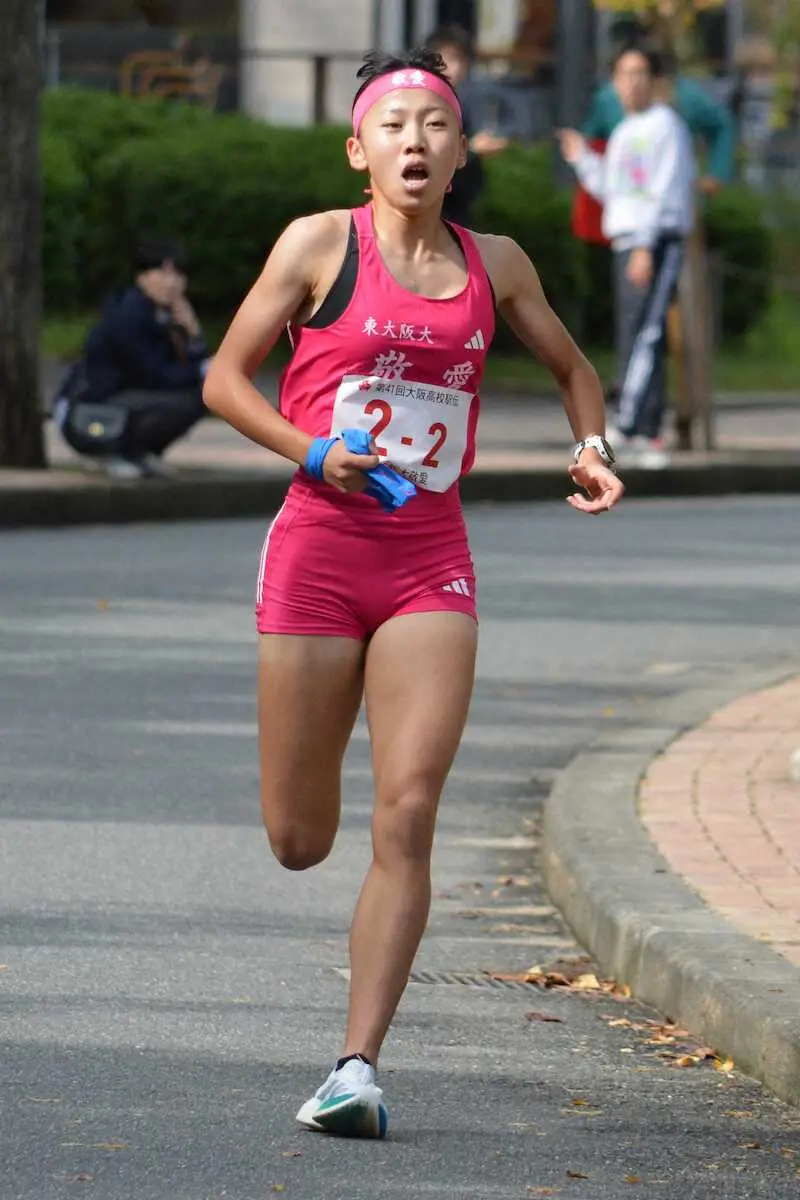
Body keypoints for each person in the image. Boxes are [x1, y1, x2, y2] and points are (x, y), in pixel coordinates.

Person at [203, 45, 624, 1140]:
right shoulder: (316, 245)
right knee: (299, 837)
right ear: (359, 151)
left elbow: (576, 368)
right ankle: (321, 770)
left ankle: (356, 1067)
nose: (413, 143)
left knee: (411, 809)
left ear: (458, 154)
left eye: (433, 127)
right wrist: (307, 453)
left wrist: (590, 446)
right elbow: (220, 378)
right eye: (392, 126)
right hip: (316, 550)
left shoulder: (499, 264)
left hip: (426, 556)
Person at [558, 46, 696, 468]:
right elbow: (614, 191)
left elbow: (665, 188)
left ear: (653, 80)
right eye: (622, 73)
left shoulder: (666, 127)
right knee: (633, 332)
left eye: (638, 72)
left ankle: (640, 426)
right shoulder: (623, 132)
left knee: (648, 334)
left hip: (653, 242)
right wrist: (583, 158)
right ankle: (639, 424)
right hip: (627, 241)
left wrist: (644, 245)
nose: (630, 82)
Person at [54, 239, 211, 479]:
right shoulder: (129, 313)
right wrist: (203, 373)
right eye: (161, 272)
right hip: (85, 413)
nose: (172, 283)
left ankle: (140, 453)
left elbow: (182, 366)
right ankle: (113, 452)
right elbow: (155, 373)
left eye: (178, 274)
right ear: (142, 276)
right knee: (193, 396)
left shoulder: (162, 315)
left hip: (118, 402)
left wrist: (193, 332)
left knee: (200, 395)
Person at [582, 44, 735, 195]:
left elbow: (722, 125)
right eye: (625, 76)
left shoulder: (686, 100)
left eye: (639, 74)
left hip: (675, 199)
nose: (633, 84)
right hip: (625, 199)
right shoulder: (608, 101)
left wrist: (717, 174)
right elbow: (591, 143)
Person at [424, 24, 510, 225]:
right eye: (448, 58)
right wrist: (471, 149)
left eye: (461, 60)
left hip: (457, 203)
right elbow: (426, 155)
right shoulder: (423, 103)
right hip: (432, 208)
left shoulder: (458, 102)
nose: (456, 67)